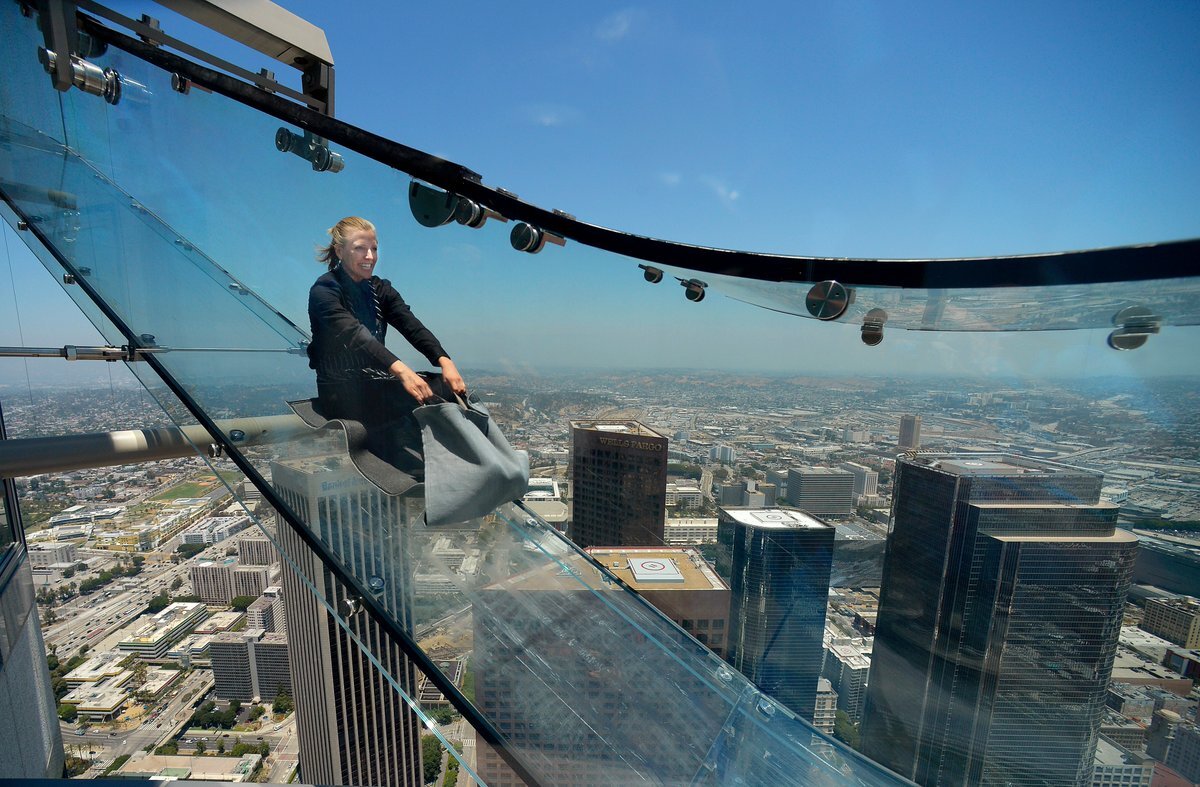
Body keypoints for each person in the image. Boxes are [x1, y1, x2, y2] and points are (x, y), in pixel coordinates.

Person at [307, 216, 466, 477]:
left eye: (374, 248)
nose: (369, 255)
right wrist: (403, 371)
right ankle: (417, 466)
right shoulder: (325, 291)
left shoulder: (380, 289)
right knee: (413, 404)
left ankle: (450, 465)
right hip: (341, 389)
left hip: (375, 382)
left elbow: (411, 325)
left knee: (444, 389)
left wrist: (444, 360)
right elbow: (355, 336)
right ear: (339, 251)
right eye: (360, 248)